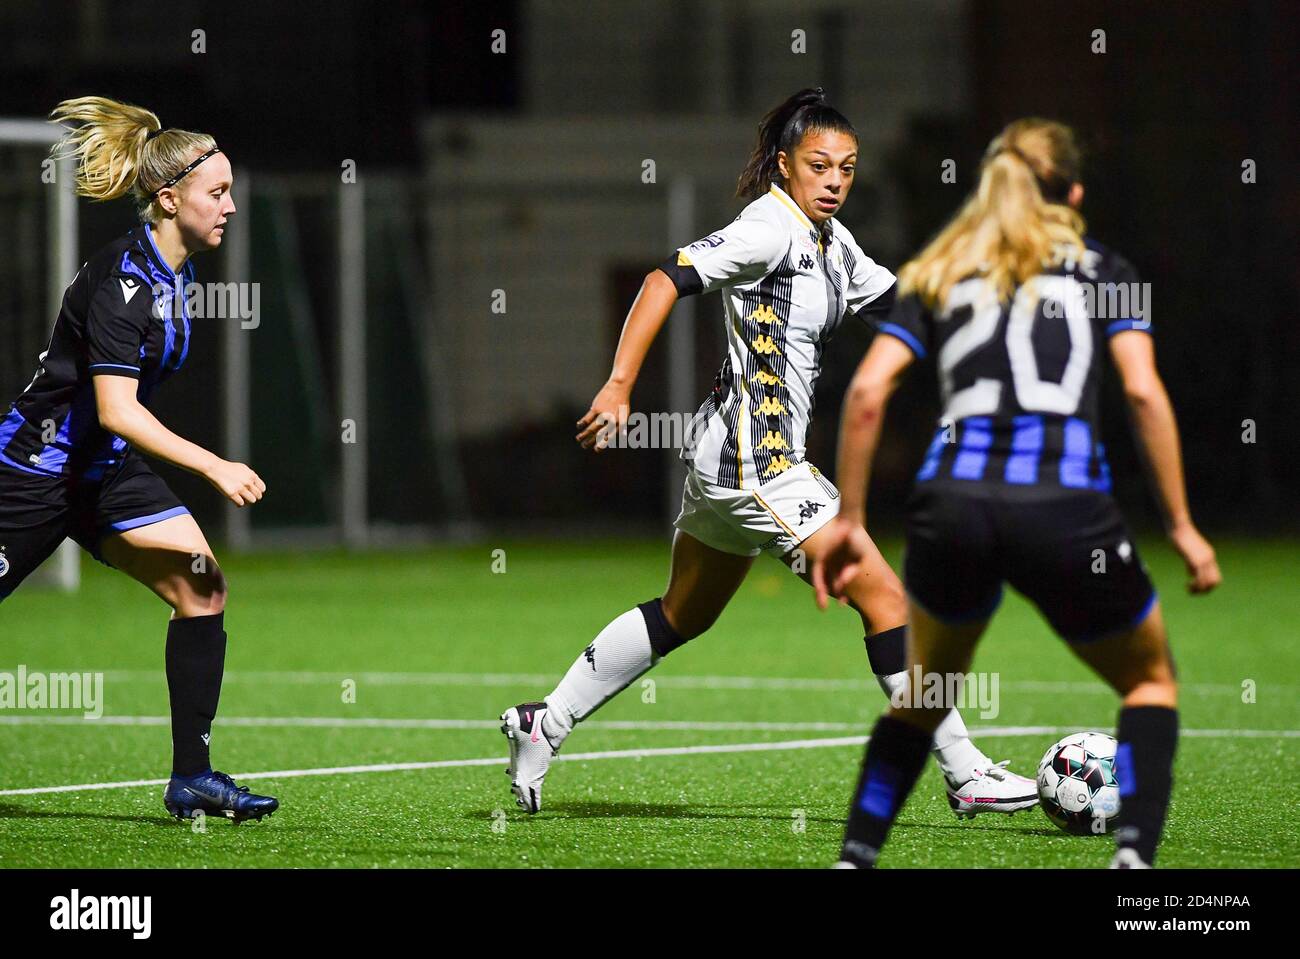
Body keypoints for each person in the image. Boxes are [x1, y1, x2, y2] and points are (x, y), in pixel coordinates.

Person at [500, 89, 1035, 818]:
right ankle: (964, 770)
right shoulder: (768, 228)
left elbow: (902, 306)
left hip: (729, 458)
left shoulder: (830, 241)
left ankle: (543, 722)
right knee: (884, 594)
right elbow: (666, 277)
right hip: (758, 466)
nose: (835, 180)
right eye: (819, 165)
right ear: (784, 166)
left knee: (684, 610)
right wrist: (620, 384)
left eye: (847, 167)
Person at [814, 118, 1221, 868]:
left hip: (953, 508)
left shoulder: (940, 269)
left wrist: (850, 519)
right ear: (1073, 192)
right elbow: (1142, 394)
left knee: (925, 696)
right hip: (1065, 509)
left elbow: (867, 393)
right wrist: (1184, 526)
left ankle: (856, 856)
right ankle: (1134, 860)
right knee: (1149, 680)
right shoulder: (1106, 270)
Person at [0, 97, 278, 823]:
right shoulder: (124, 284)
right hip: (35, 471)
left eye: (230, 191)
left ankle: (193, 776)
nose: (231, 206)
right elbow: (120, 409)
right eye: (217, 193)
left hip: (100, 473)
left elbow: (116, 424)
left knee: (202, 588)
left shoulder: (178, 277)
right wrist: (215, 466)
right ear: (168, 199)